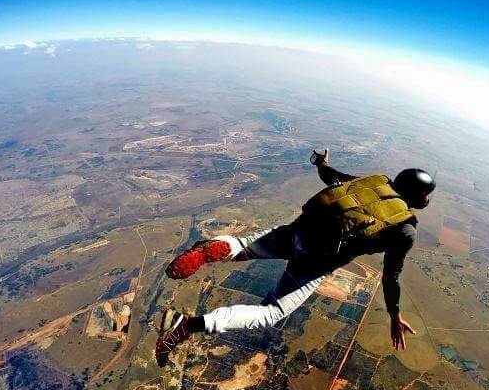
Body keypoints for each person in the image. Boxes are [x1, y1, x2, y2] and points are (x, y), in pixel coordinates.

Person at [154, 148, 436, 366]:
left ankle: (214, 248)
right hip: (314, 264)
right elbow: (391, 276)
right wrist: (394, 314)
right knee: (271, 313)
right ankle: (187, 325)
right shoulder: (405, 229)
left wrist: (320, 163)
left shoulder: (374, 183)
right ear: (420, 196)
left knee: (244, 246)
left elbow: (334, 178)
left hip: (295, 231)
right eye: (427, 196)